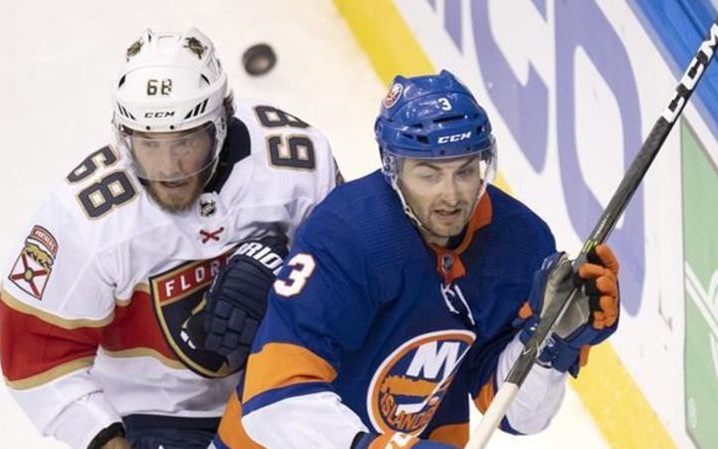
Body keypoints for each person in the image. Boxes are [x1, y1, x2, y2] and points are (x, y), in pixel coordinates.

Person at [211, 70, 620, 449]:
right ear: (393, 169)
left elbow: (516, 414)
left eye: (465, 171)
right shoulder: (347, 233)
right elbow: (272, 401)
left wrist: (548, 341)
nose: (451, 196)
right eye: (429, 174)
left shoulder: (520, 243)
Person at [0, 28, 340, 449]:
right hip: (156, 417)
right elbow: (35, 358)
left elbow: (349, 278)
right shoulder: (84, 218)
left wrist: (286, 266)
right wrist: (104, 437)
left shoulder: (297, 165)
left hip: (280, 387)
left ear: (221, 120)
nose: (167, 167)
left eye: (185, 142)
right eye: (148, 144)